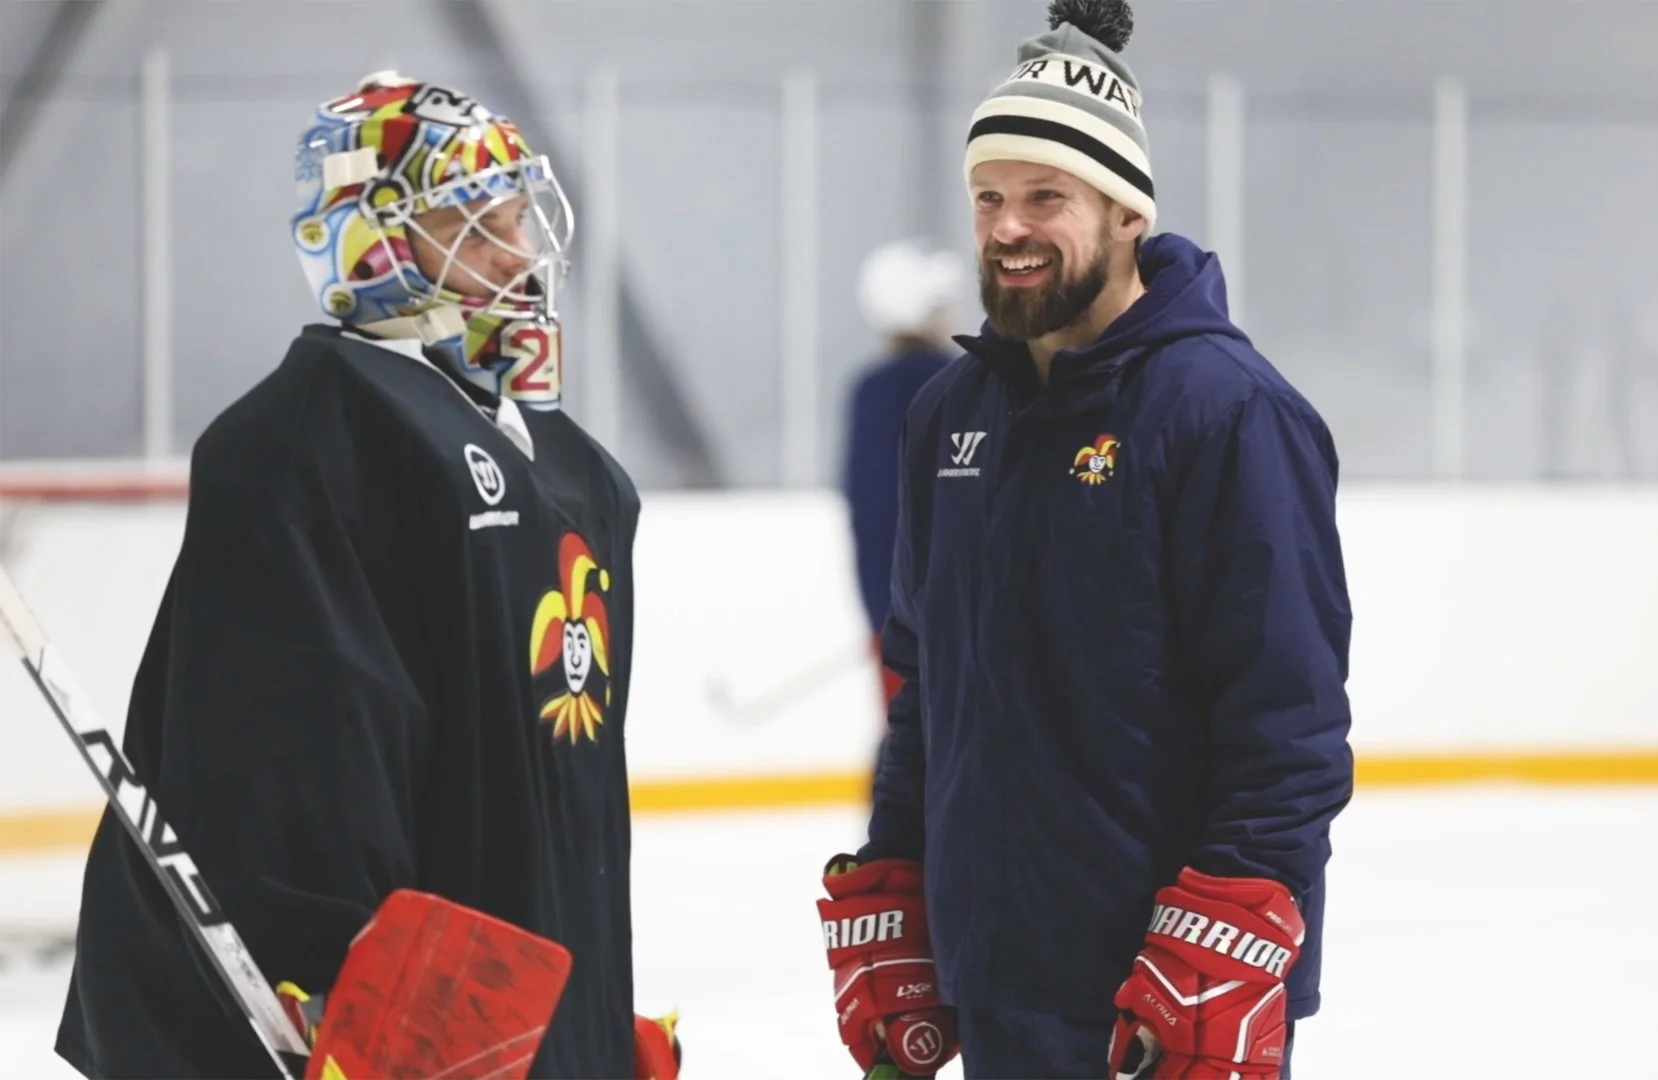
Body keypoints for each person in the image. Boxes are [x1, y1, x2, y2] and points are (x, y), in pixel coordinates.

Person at [54, 72, 676, 1079]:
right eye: (475, 227)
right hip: (412, 1028)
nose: (520, 254)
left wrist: (587, 1021)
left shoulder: (564, 460)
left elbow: (548, 792)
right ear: (371, 245)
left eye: (519, 218)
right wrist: (335, 980)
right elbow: (287, 764)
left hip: (531, 1016)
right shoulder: (310, 440)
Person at [813, 2, 1354, 1078]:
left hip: (1165, 998)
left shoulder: (1226, 412)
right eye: (989, 198)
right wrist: (899, 878)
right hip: (995, 984)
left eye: (1046, 197)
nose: (1008, 227)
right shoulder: (949, 414)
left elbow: (1286, 722)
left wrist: (1232, 923)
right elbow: (926, 690)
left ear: (1125, 213)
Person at [841, 239, 966, 704]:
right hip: (946, 603)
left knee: (909, 723)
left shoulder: (870, 391)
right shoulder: (956, 383)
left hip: (891, 599)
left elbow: (870, 507)